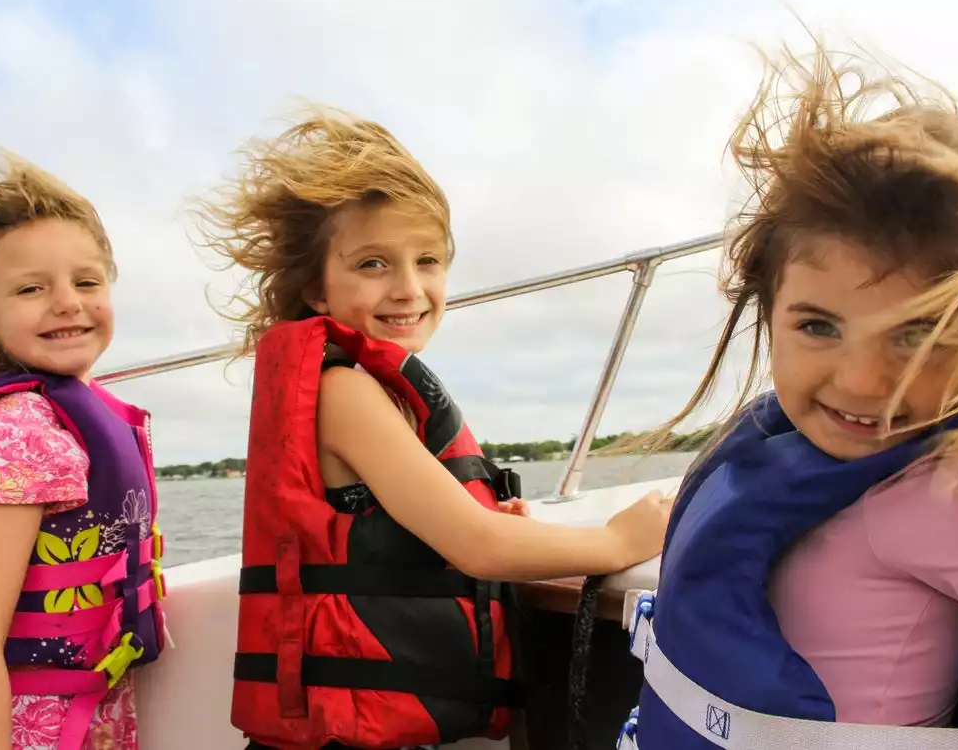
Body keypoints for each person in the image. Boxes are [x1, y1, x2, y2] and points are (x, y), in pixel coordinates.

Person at [618, 44, 958, 749]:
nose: (862, 382)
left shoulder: (957, 500)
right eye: (819, 326)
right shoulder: (781, 454)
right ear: (769, 309)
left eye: (918, 335)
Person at [194, 108, 673, 749]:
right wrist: (618, 541)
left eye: (428, 260)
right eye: (372, 264)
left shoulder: (373, 388)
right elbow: (475, 545)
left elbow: (429, 532)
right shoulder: (344, 392)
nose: (409, 288)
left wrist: (495, 523)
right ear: (315, 287)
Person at [0, 154, 168, 750]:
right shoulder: (16, 434)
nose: (68, 302)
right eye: (30, 289)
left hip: (77, 712)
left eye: (87, 281)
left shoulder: (58, 411)